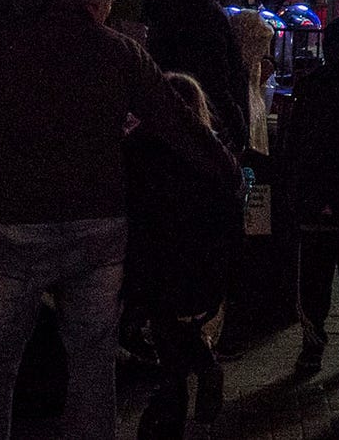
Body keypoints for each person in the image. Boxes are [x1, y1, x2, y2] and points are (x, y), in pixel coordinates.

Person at [0, 0, 218, 440]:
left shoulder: (1, 47)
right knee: (93, 366)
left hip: (12, 218)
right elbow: (180, 124)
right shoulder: (118, 53)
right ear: (102, 1)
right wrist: (226, 175)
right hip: (96, 223)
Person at [126, 72, 245, 440]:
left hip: (155, 257)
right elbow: (233, 206)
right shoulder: (213, 152)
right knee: (176, 326)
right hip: (201, 262)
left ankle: (172, 398)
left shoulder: (141, 146)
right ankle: (194, 374)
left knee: (164, 328)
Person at [278, 15, 339, 378]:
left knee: (313, 280)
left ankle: (312, 347)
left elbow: (294, 141)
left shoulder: (309, 87)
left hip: (314, 197)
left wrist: (296, 189)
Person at [145, 0, 252, 150]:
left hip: (170, 113)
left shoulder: (168, 4)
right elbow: (216, 75)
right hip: (206, 121)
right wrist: (236, 124)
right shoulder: (208, 12)